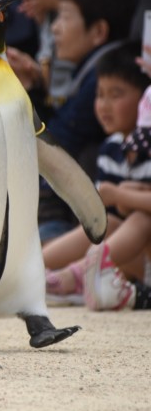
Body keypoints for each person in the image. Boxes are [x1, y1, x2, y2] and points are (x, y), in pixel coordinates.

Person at [9, 0, 137, 240]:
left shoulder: (103, 74)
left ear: (99, 31)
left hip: (74, 222)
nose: (55, 28)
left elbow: (55, 142)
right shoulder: (90, 70)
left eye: (65, 17)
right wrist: (32, 86)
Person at [43, 41, 151, 304]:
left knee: (141, 219)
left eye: (116, 95)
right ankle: (30, 268)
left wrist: (119, 195)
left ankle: (75, 275)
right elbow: (113, 214)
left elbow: (128, 210)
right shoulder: (111, 148)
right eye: (100, 95)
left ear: (143, 100)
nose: (104, 105)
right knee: (108, 224)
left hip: (142, 258)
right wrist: (124, 198)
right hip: (122, 255)